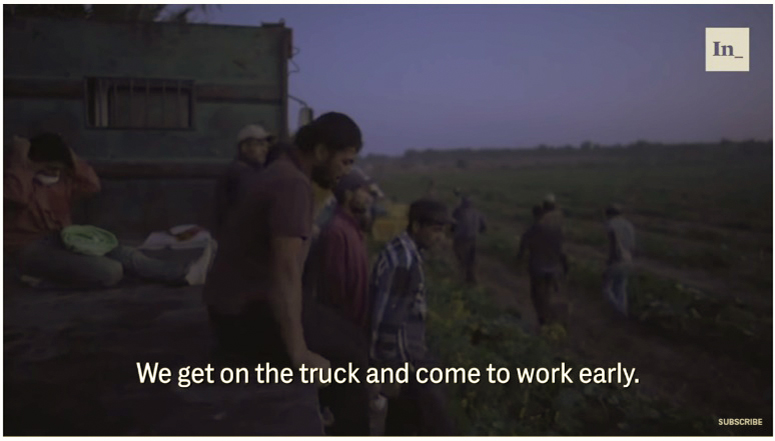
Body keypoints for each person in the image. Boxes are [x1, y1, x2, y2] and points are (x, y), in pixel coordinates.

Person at [201, 112, 363, 434]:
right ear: (320, 152)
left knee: (350, 336)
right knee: (352, 360)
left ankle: (328, 412)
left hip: (236, 306)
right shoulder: (291, 184)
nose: (347, 172)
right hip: (243, 318)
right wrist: (298, 352)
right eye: (344, 162)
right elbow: (286, 273)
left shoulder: (284, 171)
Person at [4, 133, 213, 289]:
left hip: (62, 238)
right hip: (29, 250)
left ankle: (185, 274)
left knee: (123, 253)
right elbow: (17, 198)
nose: (55, 174)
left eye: (59, 169)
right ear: (34, 163)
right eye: (50, 168)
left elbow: (92, 186)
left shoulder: (61, 181)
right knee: (111, 272)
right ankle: (43, 282)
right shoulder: (15, 179)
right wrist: (22, 162)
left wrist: (70, 156)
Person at [369, 198, 457, 436]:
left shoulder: (403, 250)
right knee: (438, 426)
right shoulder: (404, 262)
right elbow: (386, 319)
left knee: (403, 426)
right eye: (436, 230)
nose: (440, 237)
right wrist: (387, 370)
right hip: (405, 365)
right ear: (417, 226)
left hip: (407, 361)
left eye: (443, 231)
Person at [213, 124, 276, 236]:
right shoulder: (242, 173)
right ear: (244, 148)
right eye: (260, 145)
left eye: (266, 145)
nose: (265, 150)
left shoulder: (247, 171)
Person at [516, 203, 568, 327]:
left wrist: (519, 260)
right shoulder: (556, 230)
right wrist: (565, 267)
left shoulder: (533, 229)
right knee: (547, 293)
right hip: (553, 268)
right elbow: (562, 252)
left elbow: (523, 247)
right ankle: (548, 318)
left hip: (537, 268)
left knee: (536, 295)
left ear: (534, 215)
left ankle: (543, 320)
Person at [603, 204, 636, 317]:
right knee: (621, 289)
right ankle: (623, 311)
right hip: (628, 260)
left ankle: (619, 310)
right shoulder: (629, 225)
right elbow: (632, 246)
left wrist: (609, 261)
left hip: (616, 260)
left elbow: (614, 245)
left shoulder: (610, 225)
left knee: (606, 289)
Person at [451, 195, 487, 284]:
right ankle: (472, 280)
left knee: (462, 260)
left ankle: (462, 281)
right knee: (472, 260)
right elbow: (484, 227)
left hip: (460, 239)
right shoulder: (478, 213)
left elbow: (452, 223)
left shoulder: (458, 211)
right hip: (473, 239)